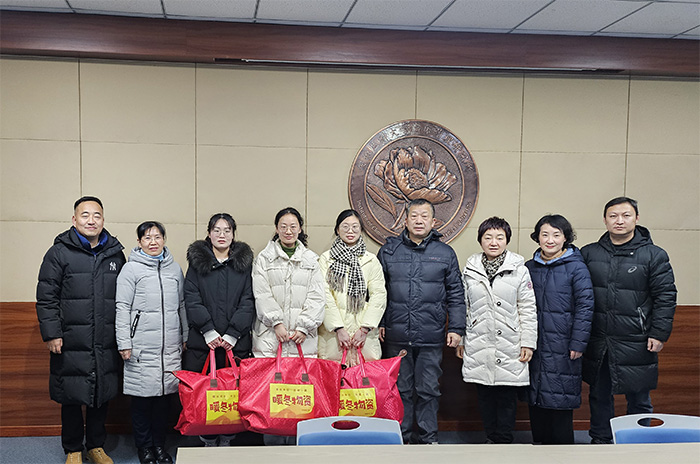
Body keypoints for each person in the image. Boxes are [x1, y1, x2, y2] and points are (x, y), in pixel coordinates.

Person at [36, 196, 126, 464]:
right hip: (70, 339)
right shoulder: (59, 253)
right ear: (74, 220)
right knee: (71, 394)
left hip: (105, 338)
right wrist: (52, 333)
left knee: (101, 394)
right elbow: (46, 296)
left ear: (103, 220)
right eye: (85, 215)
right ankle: (73, 448)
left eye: (96, 215)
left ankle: (96, 446)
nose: (91, 220)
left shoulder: (115, 254)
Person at [581, 197, 677, 444]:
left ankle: (638, 442)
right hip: (600, 338)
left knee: (639, 397)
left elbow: (665, 296)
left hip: (638, 338)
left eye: (626, 215)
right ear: (605, 220)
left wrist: (659, 333)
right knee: (599, 394)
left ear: (636, 218)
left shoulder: (654, 255)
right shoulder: (589, 253)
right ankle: (600, 440)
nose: (619, 221)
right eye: (613, 216)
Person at [377, 198, 465, 444]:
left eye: (424, 216)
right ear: (405, 220)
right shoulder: (389, 251)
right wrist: (380, 322)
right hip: (396, 334)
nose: (419, 221)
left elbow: (456, 294)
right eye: (414, 216)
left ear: (433, 221)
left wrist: (456, 328)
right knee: (400, 389)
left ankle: (429, 438)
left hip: (431, 335)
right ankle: (401, 437)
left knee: (428, 389)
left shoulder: (445, 253)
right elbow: (377, 291)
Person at [457, 216, 537, 444]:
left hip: (510, 342)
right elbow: (464, 307)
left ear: (507, 240)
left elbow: (527, 308)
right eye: (488, 237)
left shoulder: (519, 269)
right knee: (484, 394)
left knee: (506, 395)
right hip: (479, 340)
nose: (494, 242)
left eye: (499, 237)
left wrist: (528, 342)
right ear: (480, 240)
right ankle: (490, 438)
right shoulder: (470, 269)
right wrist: (462, 340)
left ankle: (503, 439)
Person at [252, 206, 325, 445]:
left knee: (300, 399)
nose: (288, 231)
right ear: (276, 229)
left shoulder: (311, 259)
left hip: (303, 340)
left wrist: (304, 327)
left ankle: (298, 449)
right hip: (271, 339)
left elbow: (318, 297)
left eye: (293, 226)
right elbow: (261, 293)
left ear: (300, 229)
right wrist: (276, 323)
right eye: (283, 226)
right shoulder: (263, 259)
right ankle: (272, 451)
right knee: (272, 401)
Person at [116, 221, 187, 464]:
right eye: (147, 238)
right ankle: (144, 448)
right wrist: (124, 342)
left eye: (157, 237)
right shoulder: (130, 270)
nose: (153, 242)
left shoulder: (174, 269)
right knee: (142, 402)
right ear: (139, 242)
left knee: (163, 402)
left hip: (169, 348)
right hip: (141, 348)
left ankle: (159, 446)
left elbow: (182, 306)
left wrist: (185, 336)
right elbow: (122, 308)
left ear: (164, 239)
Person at [183, 213, 256, 447]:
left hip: (235, 343)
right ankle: (207, 439)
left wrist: (233, 333)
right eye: (216, 230)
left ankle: (228, 438)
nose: (221, 235)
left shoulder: (244, 265)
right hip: (203, 343)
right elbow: (191, 298)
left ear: (233, 235)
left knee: (232, 395)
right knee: (206, 396)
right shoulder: (197, 264)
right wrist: (208, 330)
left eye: (227, 230)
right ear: (209, 233)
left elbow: (249, 301)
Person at [524, 215, 594, 444]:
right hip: (535, 343)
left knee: (560, 397)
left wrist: (578, 343)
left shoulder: (577, 267)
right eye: (545, 234)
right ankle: (538, 447)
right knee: (536, 397)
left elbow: (585, 306)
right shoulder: (529, 267)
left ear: (565, 238)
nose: (550, 240)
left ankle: (563, 452)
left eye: (556, 234)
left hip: (564, 344)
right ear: (537, 237)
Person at [317, 209, 387, 365]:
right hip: (332, 335)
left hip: (363, 335)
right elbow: (323, 294)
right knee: (333, 375)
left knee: (363, 377)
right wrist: (338, 328)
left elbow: (379, 295)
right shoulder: (326, 259)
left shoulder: (371, 260)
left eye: (355, 227)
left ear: (361, 229)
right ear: (337, 229)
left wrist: (365, 329)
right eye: (345, 226)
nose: (350, 231)